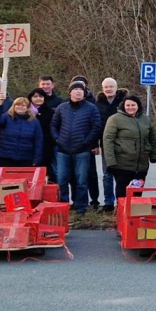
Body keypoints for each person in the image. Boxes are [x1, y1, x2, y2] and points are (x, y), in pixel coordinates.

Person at [52, 82, 103, 214]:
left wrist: (86, 142)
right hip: (63, 151)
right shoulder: (62, 107)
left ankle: (81, 208)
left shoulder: (91, 108)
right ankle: (63, 206)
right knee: (62, 180)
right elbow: (53, 125)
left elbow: (96, 126)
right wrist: (57, 139)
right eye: (75, 89)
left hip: (82, 150)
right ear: (70, 92)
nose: (78, 91)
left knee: (81, 181)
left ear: (84, 93)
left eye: (81, 89)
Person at [102, 94, 156, 202]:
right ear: (123, 106)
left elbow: (152, 139)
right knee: (122, 193)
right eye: (128, 105)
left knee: (137, 192)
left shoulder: (145, 119)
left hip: (141, 165)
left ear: (138, 106)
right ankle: (121, 210)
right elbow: (108, 140)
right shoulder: (115, 119)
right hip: (122, 164)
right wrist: (110, 161)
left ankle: (135, 210)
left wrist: (153, 155)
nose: (130, 107)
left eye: (133, 105)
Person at [95, 77, 126, 212]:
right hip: (105, 144)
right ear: (102, 89)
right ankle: (108, 203)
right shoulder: (98, 104)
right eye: (106, 87)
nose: (108, 89)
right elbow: (96, 125)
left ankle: (121, 203)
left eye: (111, 86)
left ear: (116, 87)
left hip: (122, 144)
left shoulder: (124, 102)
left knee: (121, 175)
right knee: (107, 175)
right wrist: (95, 143)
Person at [0, 96, 43, 169]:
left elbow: (38, 141)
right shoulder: (7, 117)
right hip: (6, 157)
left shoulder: (34, 122)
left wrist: (37, 159)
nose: (20, 107)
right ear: (14, 106)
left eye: (23, 105)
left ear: (27, 108)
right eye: (18, 105)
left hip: (26, 158)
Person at [35, 76, 63, 182]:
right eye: (43, 84)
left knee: (56, 170)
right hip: (38, 141)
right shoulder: (33, 102)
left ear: (52, 85)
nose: (45, 86)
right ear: (39, 85)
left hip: (54, 141)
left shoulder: (60, 101)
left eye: (48, 84)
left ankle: (57, 190)